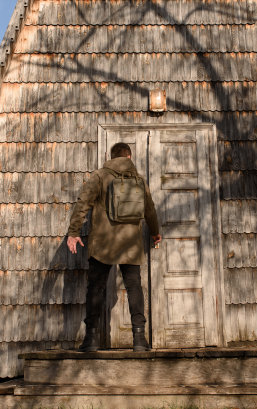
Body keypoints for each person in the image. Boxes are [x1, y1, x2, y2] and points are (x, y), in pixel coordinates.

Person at [67, 142, 162, 352]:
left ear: (112, 157)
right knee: (134, 288)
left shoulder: (100, 176)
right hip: (131, 244)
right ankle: (139, 338)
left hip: (103, 244)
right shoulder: (138, 179)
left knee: (96, 288)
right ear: (129, 157)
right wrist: (155, 232)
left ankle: (91, 338)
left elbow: (82, 204)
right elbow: (150, 209)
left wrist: (74, 232)